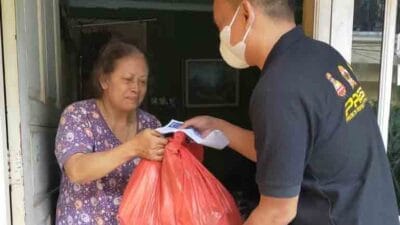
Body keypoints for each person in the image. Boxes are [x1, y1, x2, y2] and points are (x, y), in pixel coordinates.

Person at [182, 0, 400, 224]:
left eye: (222, 25)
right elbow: (285, 153)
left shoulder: (278, 87)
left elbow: (277, 212)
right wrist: (218, 127)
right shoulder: (322, 56)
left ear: (246, 13)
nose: (222, 36)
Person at [54, 40, 168, 225]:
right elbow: (77, 170)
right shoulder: (79, 115)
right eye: (128, 79)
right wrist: (134, 147)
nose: (136, 88)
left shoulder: (150, 124)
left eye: (142, 82)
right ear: (104, 80)